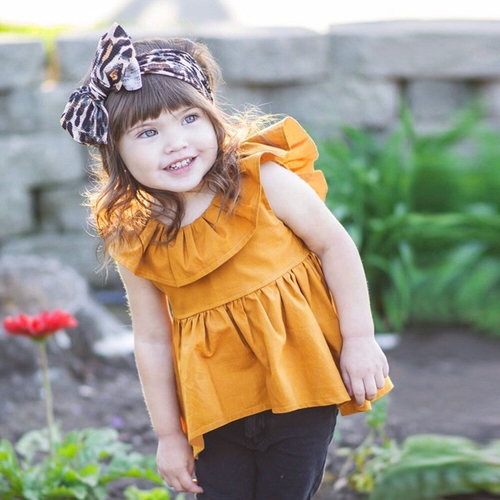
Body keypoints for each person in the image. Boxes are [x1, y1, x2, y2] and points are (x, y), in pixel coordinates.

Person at [61, 23, 392, 500]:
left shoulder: (262, 181)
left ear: (213, 116)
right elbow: (151, 339)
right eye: (148, 132)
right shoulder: (135, 235)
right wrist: (169, 436)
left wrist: (359, 339)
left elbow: (334, 246)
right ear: (116, 154)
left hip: (300, 381)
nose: (176, 142)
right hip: (214, 403)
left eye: (189, 119)